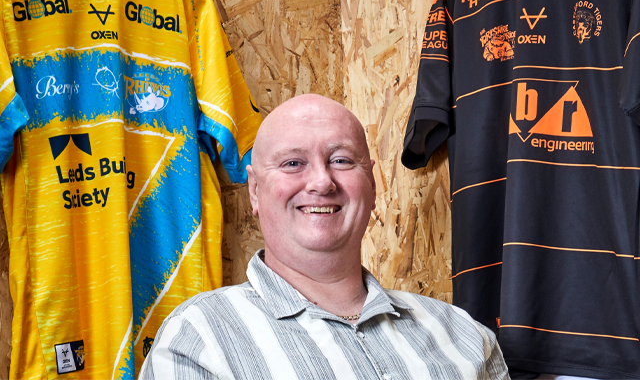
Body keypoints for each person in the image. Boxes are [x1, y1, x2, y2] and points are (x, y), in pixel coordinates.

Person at [139, 94, 509, 380]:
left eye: (342, 160)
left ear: (372, 181)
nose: (321, 182)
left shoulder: (464, 336)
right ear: (254, 190)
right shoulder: (197, 341)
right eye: (292, 163)